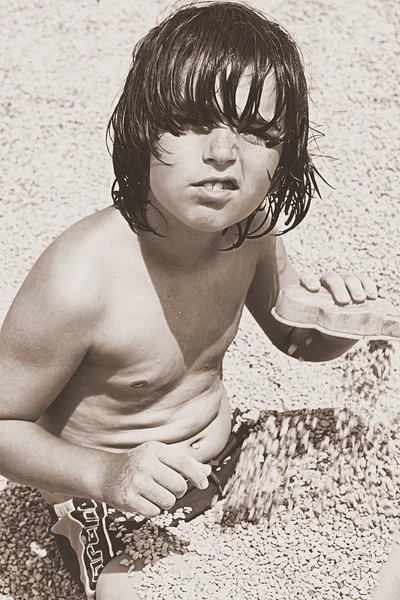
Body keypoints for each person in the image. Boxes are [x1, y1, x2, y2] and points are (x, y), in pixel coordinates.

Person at [0, 2, 379, 599]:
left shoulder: (249, 234)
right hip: (120, 492)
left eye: (257, 132)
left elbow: (298, 339)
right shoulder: (80, 280)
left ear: (285, 156)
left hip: (227, 453)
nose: (225, 153)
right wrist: (104, 473)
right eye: (193, 122)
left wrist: (342, 321)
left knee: (371, 445)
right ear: (142, 132)